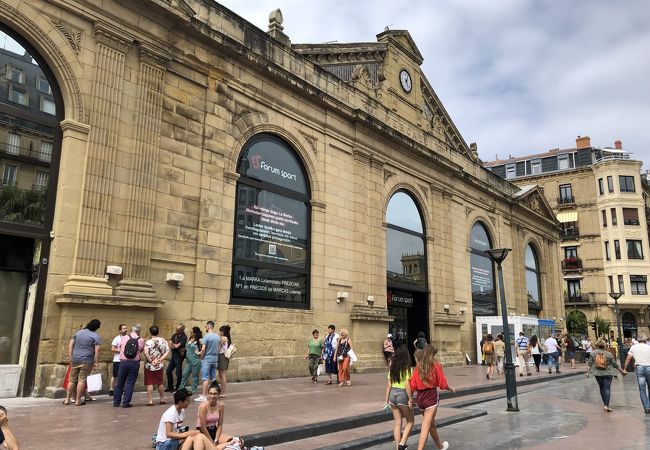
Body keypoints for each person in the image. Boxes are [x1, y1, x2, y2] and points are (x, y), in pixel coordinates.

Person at [409, 345, 455, 450]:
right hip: (431, 397)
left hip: (420, 398)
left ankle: (440, 446)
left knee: (431, 424)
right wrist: (451, 388)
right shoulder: (435, 365)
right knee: (426, 425)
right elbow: (442, 384)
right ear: (431, 354)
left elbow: (412, 386)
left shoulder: (418, 367)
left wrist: (410, 399)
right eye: (434, 354)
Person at [64, 319, 101, 406]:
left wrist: (70, 356)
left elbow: (71, 344)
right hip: (87, 360)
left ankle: (67, 399)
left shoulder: (78, 333)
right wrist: (96, 362)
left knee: (72, 379)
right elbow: (97, 351)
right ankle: (78, 401)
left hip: (75, 359)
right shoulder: (95, 336)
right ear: (96, 327)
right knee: (82, 380)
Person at [383, 346, 414, 450]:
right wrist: (410, 398)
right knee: (410, 421)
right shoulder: (408, 369)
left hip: (392, 395)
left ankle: (397, 448)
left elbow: (388, 385)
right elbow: (407, 385)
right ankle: (402, 443)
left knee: (397, 423)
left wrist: (386, 400)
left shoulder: (392, 369)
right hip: (403, 395)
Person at [586, 339, 626, 412]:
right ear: (605, 345)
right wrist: (622, 371)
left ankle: (605, 404)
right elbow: (614, 364)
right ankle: (606, 405)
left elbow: (589, 363)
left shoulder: (593, 353)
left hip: (598, 373)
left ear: (597, 345)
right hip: (608, 373)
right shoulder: (609, 354)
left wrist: (587, 372)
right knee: (607, 388)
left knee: (601, 388)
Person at [113, 324, 145, 408]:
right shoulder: (141, 340)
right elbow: (140, 350)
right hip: (134, 363)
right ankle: (126, 402)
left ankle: (116, 402)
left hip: (123, 362)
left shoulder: (124, 338)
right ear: (139, 331)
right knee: (130, 382)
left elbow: (120, 348)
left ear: (131, 330)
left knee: (120, 382)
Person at [197, 381, 232, 446]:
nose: (212, 396)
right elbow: (203, 427)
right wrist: (212, 442)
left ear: (219, 394)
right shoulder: (203, 406)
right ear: (208, 394)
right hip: (203, 432)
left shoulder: (221, 406)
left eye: (215, 394)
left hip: (214, 431)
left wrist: (216, 440)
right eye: (210, 393)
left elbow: (220, 425)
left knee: (236, 441)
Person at [623, 335, 650, 413]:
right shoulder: (649, 347)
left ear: (638, 341)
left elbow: (628, 358)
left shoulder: (634, 347)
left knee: (642, 388)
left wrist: (625, 369)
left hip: (639, 368)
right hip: (649, 367)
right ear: (646, 340)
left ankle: (646, 407)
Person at [145, 325, 171, 406]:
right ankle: (162, 399)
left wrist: (151, 360)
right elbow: (167, 351)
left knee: (150, 383)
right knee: (160, 382)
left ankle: (150, 401)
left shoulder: (148, 342)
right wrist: (160, 359)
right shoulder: (163, 341)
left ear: (150, 332)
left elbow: (146, 352)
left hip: (149, 365)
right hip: (159, 365)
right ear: (158, 332)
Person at [196, 321, 219, 402]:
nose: (205, 328)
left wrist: (202, 357)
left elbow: (203, 349)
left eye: (206, 327)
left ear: (208, 327)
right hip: (215, 359)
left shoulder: (206, 337)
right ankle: (214, 393)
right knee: (213, 378)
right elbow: (218, 348)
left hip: (207, 359)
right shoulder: (217, 337)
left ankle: (204, 395)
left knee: (205, 378)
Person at [179, 327, 203, 394]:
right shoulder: (190, 339)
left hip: (195, 360)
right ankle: (181, 388)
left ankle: (193, 390)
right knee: (184, 374)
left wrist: (200, 353)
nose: (190, 332)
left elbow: (204, 348)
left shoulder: (199, 340)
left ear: (195, 333)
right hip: (188, 361)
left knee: (195, 376)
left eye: (191, 332)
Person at [166, 324, 187, 393]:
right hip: (173, 355)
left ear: (181, 330)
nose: (176, 330)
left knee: (178, 372)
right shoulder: (174, 335)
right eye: (176, 329)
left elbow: (177, 346)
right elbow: (170, 343)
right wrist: (172, 345)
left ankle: (178, 387)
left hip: (179, 356)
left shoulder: (184, 337)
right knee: (168, 370)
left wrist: (173, 345)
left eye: (177, 329)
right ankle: (170, 386)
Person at [109, 323, 128, 396]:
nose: (125, 329)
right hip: (117, 360)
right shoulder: (117, 338)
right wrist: (121, 350)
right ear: (120, 330)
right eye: (123, 328)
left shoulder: (128, 338)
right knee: (115, 375)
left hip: (125, 360)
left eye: (126, 328)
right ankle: (111, 389)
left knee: (124, 375)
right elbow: (113, 349)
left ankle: (123, 389)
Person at [217, 325, 232, 397]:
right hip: (222, 356)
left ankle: (223, 393)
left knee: (222, 375)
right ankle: (222, 392)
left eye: (220, 331)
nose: (219, 332)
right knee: (221, 375)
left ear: (223, 332)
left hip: (222, 356)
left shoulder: (224, 338)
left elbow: (218, 348)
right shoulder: (225, 338)